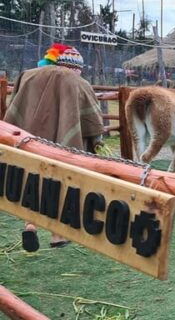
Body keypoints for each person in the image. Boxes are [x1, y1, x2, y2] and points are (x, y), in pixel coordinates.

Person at [4, 43, 104, 252]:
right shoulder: (77, 82)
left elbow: (15, 106)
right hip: (62, 147)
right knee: (61, 184)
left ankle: (30, 225)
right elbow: (93, 119)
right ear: (76, 66)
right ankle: (57, 235)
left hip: (29, 142)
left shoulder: (28, 76)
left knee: (31, 181)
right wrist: (97, 140)